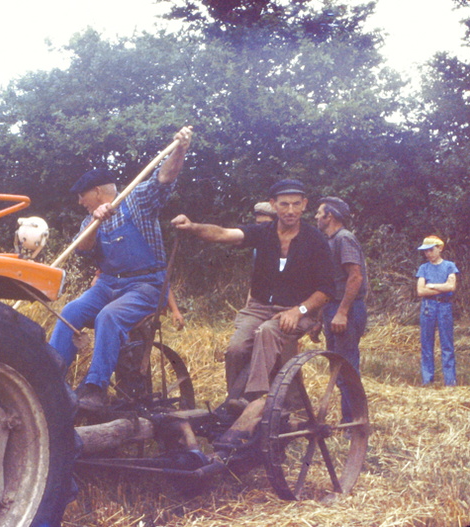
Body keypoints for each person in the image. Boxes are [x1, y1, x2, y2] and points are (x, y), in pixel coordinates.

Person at [50, 126, 193, 409]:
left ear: (97, 191)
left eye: (82, 196)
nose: (79, 202)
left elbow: (165, 177)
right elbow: (83, 248)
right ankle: (47, 378)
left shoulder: (137, 200)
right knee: (70, 312)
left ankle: (95, 388)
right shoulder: (88, 221)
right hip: (108, 285)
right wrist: (96, 222)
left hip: (146, 285)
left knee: (108, 317)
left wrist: (180, 149)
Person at [171, 178, 334, 413]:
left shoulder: (315, 241)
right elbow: (223, 234)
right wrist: (193, 226)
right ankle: (234, 402)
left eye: (296, 204)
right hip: (258, 308)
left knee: (268, 332)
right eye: (284, 204)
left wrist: (298, 311)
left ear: (304, 204)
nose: (290, 210)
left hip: (297, 311)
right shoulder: (262, 232)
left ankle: (252, 399)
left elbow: (327, 290)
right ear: (273, 204)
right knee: (236, 349)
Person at [315, 196, 368, 420]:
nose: (316, 217)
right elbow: (328, 284)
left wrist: (342, 312)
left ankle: (355, 422)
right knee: (337, 367)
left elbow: (355, 277)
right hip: (333, 308)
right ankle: (349, 420)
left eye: (319, 213)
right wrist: (320, 318)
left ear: (330, 216)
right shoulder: (329, 240)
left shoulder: (344, 239)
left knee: (346, 366)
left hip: (346, 309)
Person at [415, 235, 459, 386]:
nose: (428, 254)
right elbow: (420, 291)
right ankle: (427, 380)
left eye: (431, 250)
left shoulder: (449, 266)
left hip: (444, 307)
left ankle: (450, 382)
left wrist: (432, 286)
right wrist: (442, 287)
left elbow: (451, 286)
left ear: (440, 248)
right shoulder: (423, 268)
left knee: (447, 344)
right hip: (428, 307)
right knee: (427, 343)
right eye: (425, 251)